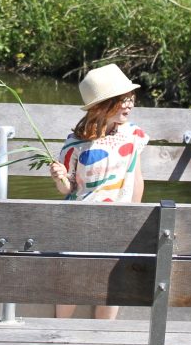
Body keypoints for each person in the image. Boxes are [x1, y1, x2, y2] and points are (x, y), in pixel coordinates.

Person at [49, 63, 149, 319]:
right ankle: (60, 328)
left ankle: (104, 333)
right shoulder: (76, 144)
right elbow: (68, 189)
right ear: (100, 106)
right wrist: (59, 177)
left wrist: (134, 216)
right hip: (81, 220)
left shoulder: (133, 135)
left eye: (130, 98)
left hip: (120, 218)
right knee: (73, 276)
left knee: (115, 281)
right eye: (120, 100)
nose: (128, 105)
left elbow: (136, 179)